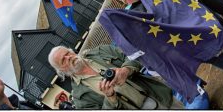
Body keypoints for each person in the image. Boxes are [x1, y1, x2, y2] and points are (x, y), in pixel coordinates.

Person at [48, 44, 184, 109]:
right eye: (63, 60)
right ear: (61, 70)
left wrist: (126, 70)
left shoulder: (100, 52)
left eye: (67, 53)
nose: (69, 57)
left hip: (159, 97)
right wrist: (110, 98)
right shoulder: (79, 97)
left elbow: (132, 54)